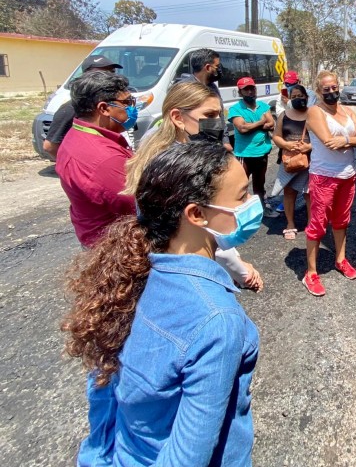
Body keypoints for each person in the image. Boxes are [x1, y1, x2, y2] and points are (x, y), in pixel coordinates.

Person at [63, 142, 261, 466]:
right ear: (196, 214)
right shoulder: (217, 320)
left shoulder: (129, 276)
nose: (252, 204)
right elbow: (187, 456)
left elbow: (102, 388)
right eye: (241, 197)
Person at [125, 81, 263, 292]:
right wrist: (242, 271)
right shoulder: (181, 167)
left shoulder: (158, 143)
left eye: (219, 115)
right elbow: (204, 228)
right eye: (209, 116)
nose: (217, 123)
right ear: (178, 117)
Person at [302, 70, 356, 296]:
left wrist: (346, 140)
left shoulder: (348, 110)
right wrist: (349, 141)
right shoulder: (315, 111)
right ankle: (311, 273)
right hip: (323, 176)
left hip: (347, 175)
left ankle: (341, 259)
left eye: (334, 87)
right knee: (318, 224)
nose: (332, 92)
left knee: (341, 221)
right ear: (318, 91)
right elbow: (329, 142)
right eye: (326, 89)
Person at [55, 70, 137, 247]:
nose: (132, 108)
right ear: (104, 108)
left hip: (96, 238)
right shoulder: (104, 158)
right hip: (116, 246)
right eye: (127, 102)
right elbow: (138, 206)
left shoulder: (77, 134)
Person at [43, 55, 125, 159]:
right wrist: (77, 164)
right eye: (102, 74)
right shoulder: (71, 108)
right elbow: (50, 146)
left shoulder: (114, 104)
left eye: (112, 72)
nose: (110, 77)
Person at [228, 76, 278, 217]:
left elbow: (271, 124)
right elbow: (242, 129)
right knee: (240, 185)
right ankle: (239, 213)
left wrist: (254, 125)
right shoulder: (235, 109)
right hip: (244, 154)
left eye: (251, 88)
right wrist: (261, 122)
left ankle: (261, 209)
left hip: (262, 152)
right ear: (240, 92)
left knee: (259, 184)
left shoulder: (263, 106)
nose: (250, 92)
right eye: (246, 90)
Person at [272, 84, 312, 240]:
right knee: (289, 192)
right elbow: (276, 136)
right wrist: (286, 145)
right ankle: (290, 224)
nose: (297, 99)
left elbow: (323, 137)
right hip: (289, 159)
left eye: (300, 96)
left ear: (307, 98)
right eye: (294, 97)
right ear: (289, 99)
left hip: (310, 159)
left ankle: (311, 224)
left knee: (310, 193)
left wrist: (309, 146)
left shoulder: (313, 114)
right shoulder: (284, 115)